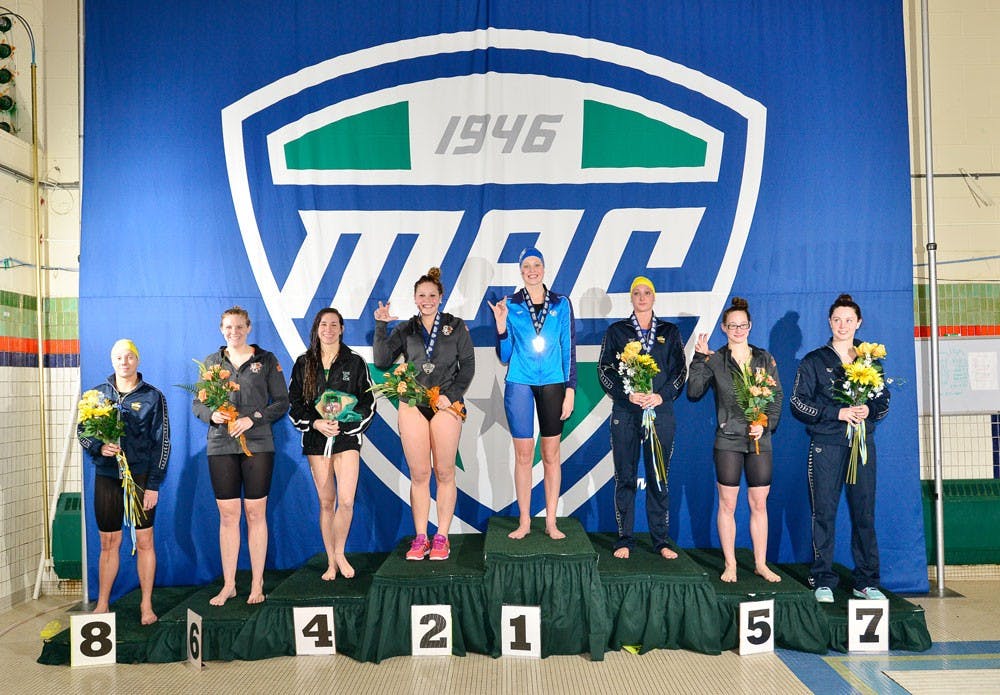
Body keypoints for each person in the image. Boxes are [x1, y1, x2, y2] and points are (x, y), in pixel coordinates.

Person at [791, 293, 890, 602]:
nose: (843, 325)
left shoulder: (870, 360)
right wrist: (837, 413)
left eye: (849, 320)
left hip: (862, 445)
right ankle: (822, 578)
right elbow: (797, 403)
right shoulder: (814, 361)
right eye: (837, 320)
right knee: (824, 512)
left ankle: (866, 581)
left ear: (858, 322)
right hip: (826, 445)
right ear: (829, 322)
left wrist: (867, 411)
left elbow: (884, 401)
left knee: (864, 513)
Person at [373, 268, 474, 561]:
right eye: (422, 295)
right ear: (415, 299)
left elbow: (467, 365)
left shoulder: (455, 326)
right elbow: (381, 361)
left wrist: (450, 396)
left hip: (444, 403)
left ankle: (441, 536)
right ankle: (420, 538)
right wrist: (381, 326)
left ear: (441, 297)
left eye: (432, 295)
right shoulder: (406, 328)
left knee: (444, 472)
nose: (427, 300)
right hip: (412, 402)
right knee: (419, 474)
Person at [192, 306, 289, 605]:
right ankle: (230, 584)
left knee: (255, 513)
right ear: (221, 330)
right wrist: (213, 415)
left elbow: (282, 402)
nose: (234, 332)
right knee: (228, 516)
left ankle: (257, 584)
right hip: (221, 445)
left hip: (258, 443)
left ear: (248, 328)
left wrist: (253, 418)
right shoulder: (211, 362)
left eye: (239, 327)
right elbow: (198, 404)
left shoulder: (266, 360)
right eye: (228, 327)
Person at [687, 297, 783, 582]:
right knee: (727, 504)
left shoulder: (765, 358)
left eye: (743, 325)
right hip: (728, 439)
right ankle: (730, 563)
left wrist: (765, 426)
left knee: (759, 503)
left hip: (759, 441)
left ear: (750, 326)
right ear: (724, 328)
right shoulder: (715, 358)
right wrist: (699, 358)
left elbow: (775, 400)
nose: (738, 330)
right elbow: (693, 392)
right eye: (732, 326)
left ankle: (761, 563)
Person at [78, 339, 170, 625]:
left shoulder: (154, 396)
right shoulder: (96, 394)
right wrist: (98, 446)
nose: (124, 362)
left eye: (129, 357)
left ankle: (146, 604)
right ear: (112, 360)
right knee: (109, 541)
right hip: (107, 475)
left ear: (137, 360)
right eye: (119, 357)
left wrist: (154, 484)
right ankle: (103, 604)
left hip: (141, 476)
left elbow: (163, 442)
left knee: (144, 540)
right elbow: (82, 432)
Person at [488, 247, 576, 540]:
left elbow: (568, 348)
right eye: (526, 266)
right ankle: (525, 521)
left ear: (544, 268)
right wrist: (501, 328)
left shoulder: (561, 303)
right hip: (520, 384)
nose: (532, 270)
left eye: (537, 264)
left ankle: (551, 521)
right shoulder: (510, 305)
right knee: (523, 455)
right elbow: (505, 355)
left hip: (553, 383)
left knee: (551, 454)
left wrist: (570, 389)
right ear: (521, 271)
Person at [597, 277, 686, 560]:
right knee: (625, 477)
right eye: (637, 293)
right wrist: (627, 396)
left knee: (659, 477)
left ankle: (661, 541)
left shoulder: (669, 332)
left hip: (660, 413)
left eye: (647, 292)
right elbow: (604, 371)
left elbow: (680, 372)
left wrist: (661, 396)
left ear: (654, 297)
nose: (642, 297)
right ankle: (624, 538)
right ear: (631, 298)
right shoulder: (617, 331)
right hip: (626, 413)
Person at [288, 308, 375, 580]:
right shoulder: (304, 363)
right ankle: (331, 562)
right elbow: (295, 405)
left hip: (346, 438)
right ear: (316, 328)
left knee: (346, 502)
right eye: (323, 324)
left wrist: (345, 423)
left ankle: (340, 553)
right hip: (316, 440)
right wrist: (315, 423)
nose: (328, 329)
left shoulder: (355, 362)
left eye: (334, 324)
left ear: (342, 329)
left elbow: (368, 403)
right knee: (327, 503)